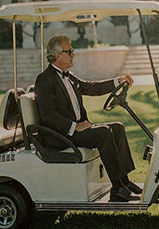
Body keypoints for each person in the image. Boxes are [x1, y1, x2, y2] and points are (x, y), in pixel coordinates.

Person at [34, 35, 142, 202]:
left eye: (72, 51)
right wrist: (74, 127)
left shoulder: (69, 76)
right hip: (60, 135)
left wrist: (117, 81)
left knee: (117, 127)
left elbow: (92, 87)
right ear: (56, 56)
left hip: (75, 130)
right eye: (69, 51)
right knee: (104, 133)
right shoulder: (44, 80)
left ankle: (125, 182)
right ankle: (117, 189)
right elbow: (48, 115)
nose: (73, 55)